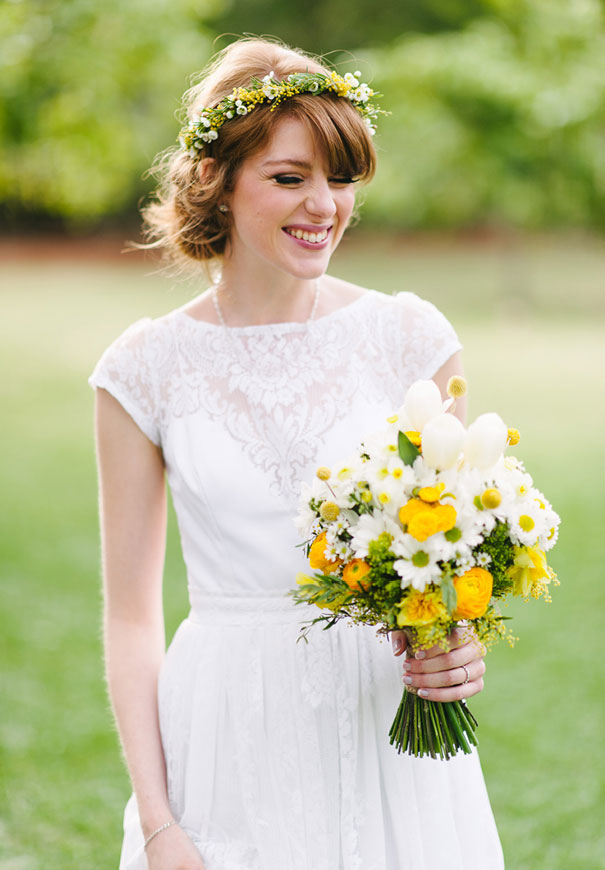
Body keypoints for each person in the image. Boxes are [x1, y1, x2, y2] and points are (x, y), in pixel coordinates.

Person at [89, 36, 504, 870]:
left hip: (380, 725)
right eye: (290, 178)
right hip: (227, 730)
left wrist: (458, 644)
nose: (324, 205)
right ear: (217, 180)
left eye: (341, 178)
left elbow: (458, 546)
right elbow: (132, 616)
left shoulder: (408, 338)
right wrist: (161, 823)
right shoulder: (143, 368)